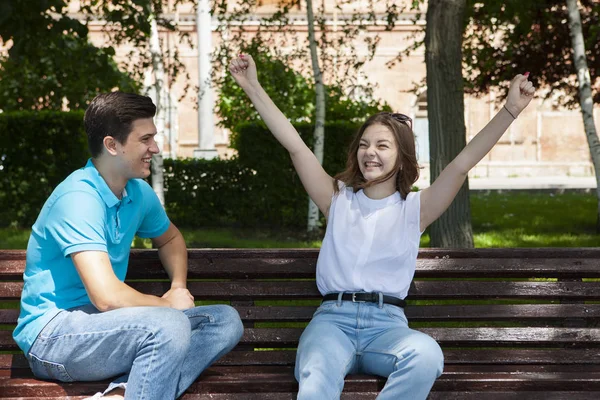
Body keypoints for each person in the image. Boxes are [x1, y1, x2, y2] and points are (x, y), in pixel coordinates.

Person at [229, 53, 535, 400]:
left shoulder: (416, 209)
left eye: (381, 145)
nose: (369, 152)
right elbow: (296, 147)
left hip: (387, 327)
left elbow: (462, 164)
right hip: (333, 322)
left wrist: (510, 110)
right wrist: (252, 87)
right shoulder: (336, 199)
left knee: (425, 354)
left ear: (402, 157)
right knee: (316, 370)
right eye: (363, 145)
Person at [13, 92, 244, 400]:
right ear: (112, 145)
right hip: (54, 336)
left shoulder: (137, 192)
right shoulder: (78, 199)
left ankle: (121, 394)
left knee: (225, 322)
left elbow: (171, 238)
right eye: (145, 139)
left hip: (111, 328)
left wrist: (177, 286)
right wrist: (167, 306)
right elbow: (106, 297)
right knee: (170, 327)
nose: (156, 148)